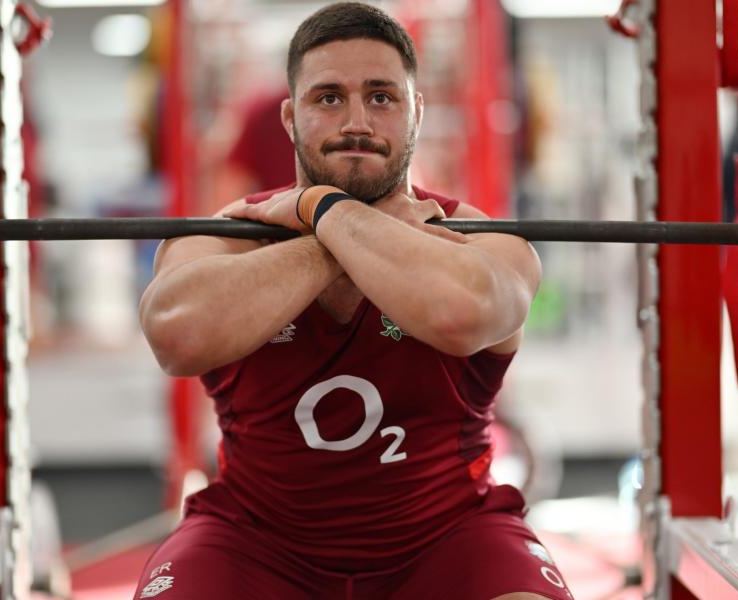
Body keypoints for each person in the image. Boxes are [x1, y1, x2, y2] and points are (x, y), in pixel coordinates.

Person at [136, 3, 569, 599]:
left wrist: (322, 210)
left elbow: (461, 313)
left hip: (449, 538)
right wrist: (341, 230)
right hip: (253, 541)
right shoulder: (230, 234)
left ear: (416, 111)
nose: (357, 121)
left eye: (382, 97)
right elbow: (176, 336)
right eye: (329, 98)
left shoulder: (480, 236)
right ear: (291, 118)